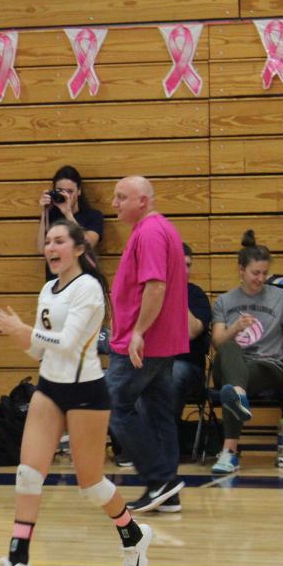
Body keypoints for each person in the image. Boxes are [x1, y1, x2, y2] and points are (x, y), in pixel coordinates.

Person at [0, 220, 153, 566]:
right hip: (49, 387)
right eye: (47, 242)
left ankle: (132, 533)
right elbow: (39, 350)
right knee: (27, 474)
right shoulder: (47, 289)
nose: (50, 248)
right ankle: (18, 560)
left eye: (58, 241)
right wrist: (13, 331)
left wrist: (21, 328)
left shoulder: (88, 289)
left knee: (91, 484)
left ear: (78, 249)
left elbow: (68, 344)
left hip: (86, 392)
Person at [105, 177, 188, 514]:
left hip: (144, 343)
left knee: (114, 403)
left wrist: (138, 331)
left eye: (121, 197)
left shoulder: (151, 232)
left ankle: (159, 479)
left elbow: (155, 287)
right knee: (157, 411)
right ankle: (168, 489)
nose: (114, 203)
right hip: (159, 341)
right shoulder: (155, 229)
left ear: (143, 200)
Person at [210, 231, 283, 475]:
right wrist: (235, 328)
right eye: (255, 273)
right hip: (230, 363)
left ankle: (229, 453)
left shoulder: (282, 298)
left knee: (230, 389)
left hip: (267, 367)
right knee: (230, 349)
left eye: (265, 273)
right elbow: (217, 342)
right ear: (241, 270)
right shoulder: (224, 301)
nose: (260, 278)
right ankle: (239, 395)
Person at [171, 243, 214, 426]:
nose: (184, 270)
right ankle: (123, 448)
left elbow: (191, 331)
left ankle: (164, 443)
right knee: (116, 377)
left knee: (173, 374)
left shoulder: (196, 295)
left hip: (188, 367)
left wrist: (177, 292)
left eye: (188, 265)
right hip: (153, 364)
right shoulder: (152, 292)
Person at [36, 166, 104, 264]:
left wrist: (68, 213)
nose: (66, 195)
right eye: (60, 191)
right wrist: (44, 213)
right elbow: (41, 248)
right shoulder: (51, 215)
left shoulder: (93, 216)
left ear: (79, 191)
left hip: (82, 276)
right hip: (55, 276)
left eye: (70, 191)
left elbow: (88, 244)